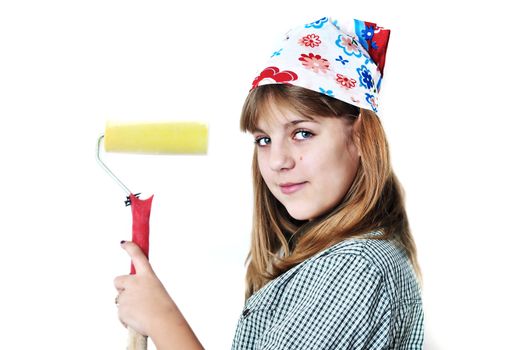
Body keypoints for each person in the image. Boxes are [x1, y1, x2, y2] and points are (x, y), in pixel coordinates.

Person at [114, 16, 424, 349]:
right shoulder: (320, 260)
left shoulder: (355, 268)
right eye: (263, 139)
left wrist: (161, 318)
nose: (277, 161)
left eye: (302, 133)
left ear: (361, 137)